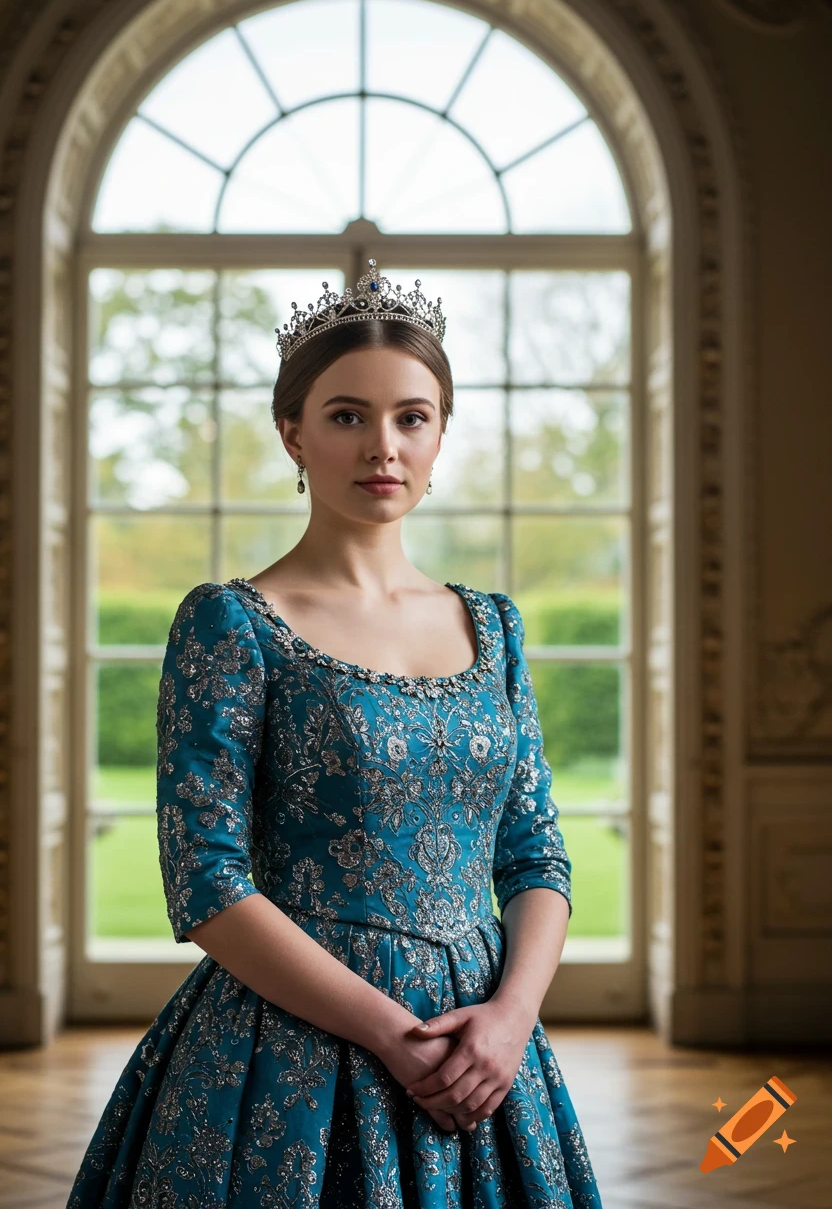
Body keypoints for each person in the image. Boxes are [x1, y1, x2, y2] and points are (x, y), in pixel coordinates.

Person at [67, 261, 603, 1207]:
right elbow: (205, 878)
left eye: (412, 417)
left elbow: (536, 856)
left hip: (485, 1051)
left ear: (440, 436)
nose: (383, 447)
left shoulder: (495, 625)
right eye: (348, 416)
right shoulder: (230, 623)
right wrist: (393, 1036)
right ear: (294, 435)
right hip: (291, 1053)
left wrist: (511, 1022)